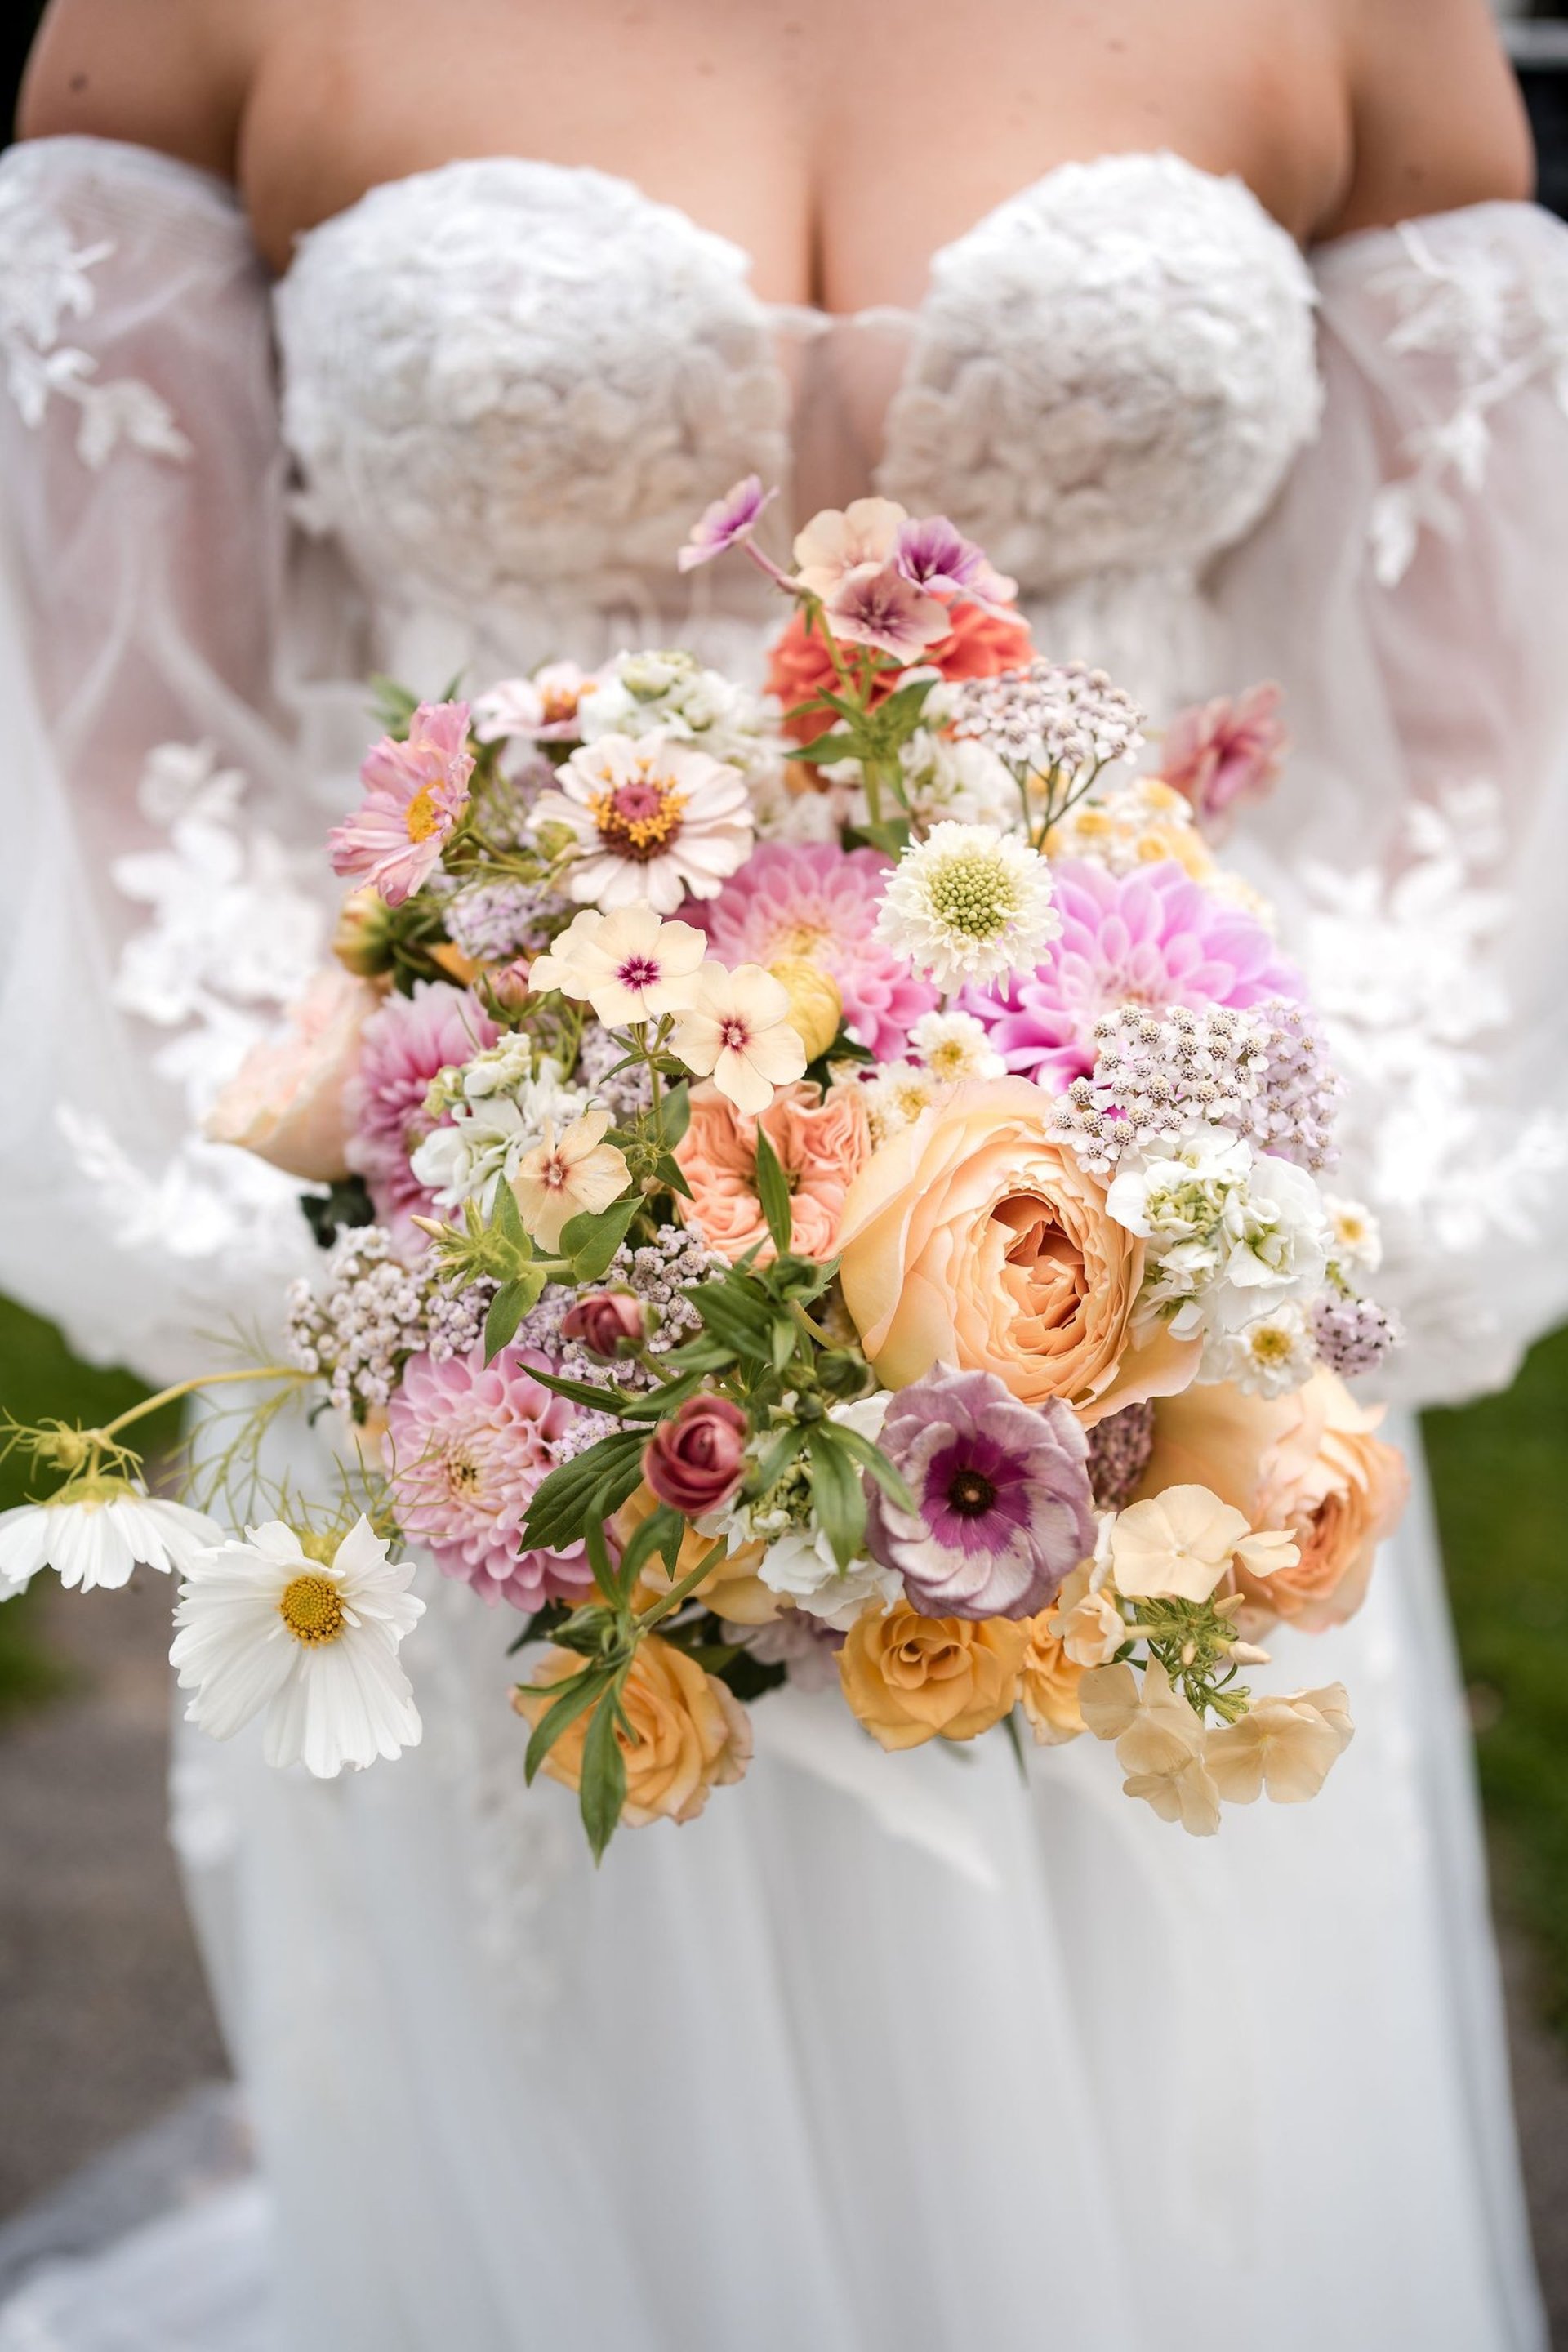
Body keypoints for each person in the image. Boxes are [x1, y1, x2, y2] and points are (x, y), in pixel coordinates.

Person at [0, 1, 1564, 2344]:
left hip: (1165, 1351)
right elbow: (123, 753)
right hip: (491, 1361)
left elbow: (1483, 737)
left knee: (1172, 2147)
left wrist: (1166, 1257)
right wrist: (505, 1245)